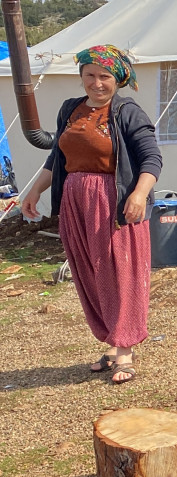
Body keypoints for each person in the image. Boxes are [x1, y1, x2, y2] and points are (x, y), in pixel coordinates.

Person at [20, 45, 161, 385]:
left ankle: (126, 349)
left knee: (119, 272)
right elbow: (57, 159)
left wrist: (139, 194)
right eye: (89, 75)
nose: (96, 83)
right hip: (75, 203)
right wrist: (35, 190)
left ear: (118, 78)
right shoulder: (71, 109)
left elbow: (152, 159)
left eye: (104, 76)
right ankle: (113, 343)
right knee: (90, 272)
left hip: (112, 203)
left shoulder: (127, 111)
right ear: (81, 76)